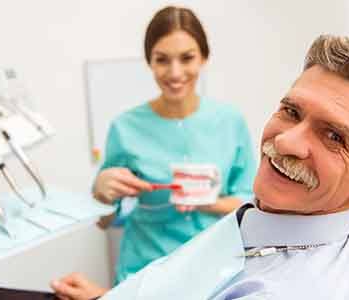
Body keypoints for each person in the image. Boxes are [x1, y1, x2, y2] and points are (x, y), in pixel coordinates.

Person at [52, 34, 349, 299]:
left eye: (333, 135)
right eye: (291, 111)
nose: (286, 142)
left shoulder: (282, 286)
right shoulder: (275, 215)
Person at [90, 5, 256, 285]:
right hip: (145, 273)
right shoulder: (125, 127)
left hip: (215, 270)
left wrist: (207, 201)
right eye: (162, 60)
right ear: (149, 62)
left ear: (204, 57)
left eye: (187, 58)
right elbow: (104, 220)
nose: (175, 72)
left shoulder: (230, 121)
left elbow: (252, 203)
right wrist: (101, 194)